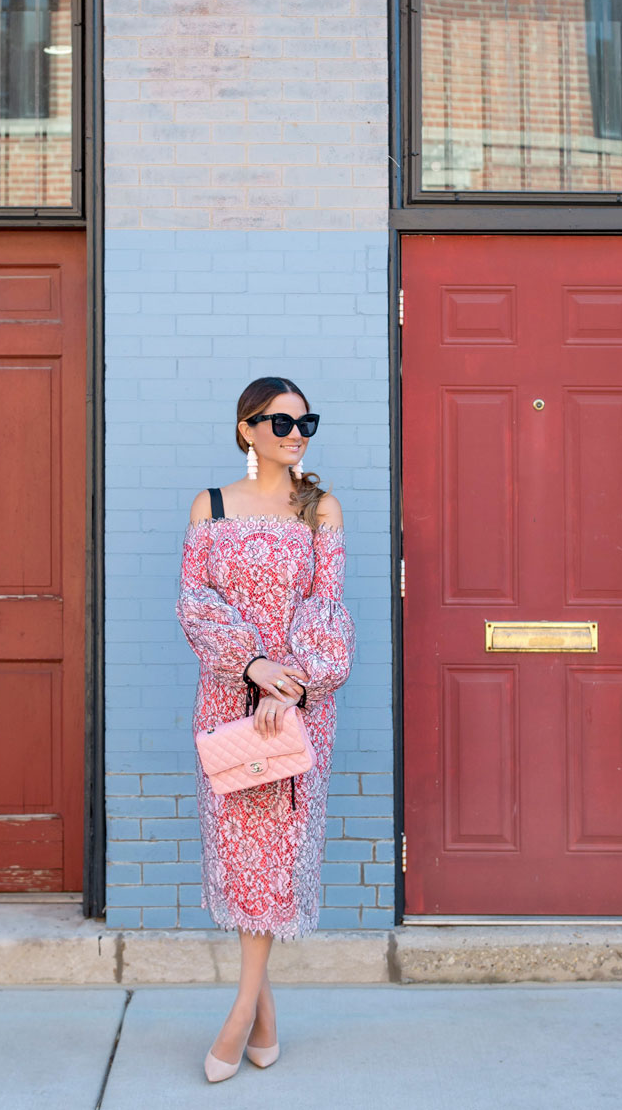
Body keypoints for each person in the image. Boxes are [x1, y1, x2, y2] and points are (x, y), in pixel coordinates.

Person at [175, 375, 356, 1083]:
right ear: (246, 429)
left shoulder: (322, 510)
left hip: (300, 709)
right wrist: (253, 667)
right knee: (238, 854)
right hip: (229, 701)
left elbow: (327, 608)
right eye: (279, 422)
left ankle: (238, 1014)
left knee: (275, 860)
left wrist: (295, 683)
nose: (295, 433)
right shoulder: (211, 507)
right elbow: (196, 603)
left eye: (305, 420)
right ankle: (266, 1018)